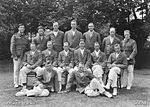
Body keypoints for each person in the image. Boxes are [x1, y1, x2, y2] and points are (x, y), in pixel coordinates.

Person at [10, 24, 30, 88]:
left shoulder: (26, 36)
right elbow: (12, 46)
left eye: (23, 27)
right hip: (17, 55)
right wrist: (14, 55)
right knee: (16, 69)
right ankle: (16, 82)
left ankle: (22, 82)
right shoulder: (15, 36)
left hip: (24, 55)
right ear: (18, 28)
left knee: (22, 69)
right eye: (21, 27)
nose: (22, 28)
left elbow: (28, 46)